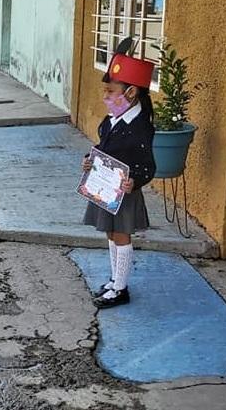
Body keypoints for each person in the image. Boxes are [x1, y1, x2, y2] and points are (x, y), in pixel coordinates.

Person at [82, 37, 156, 309]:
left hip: (125, 192)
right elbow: (103, 147)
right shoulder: (111, 120)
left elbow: (148, 165)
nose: (105, 98)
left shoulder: (140, 128)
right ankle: (114, 280)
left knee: (122, 236)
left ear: (131, 93)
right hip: (106, 188)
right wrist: (89, 160)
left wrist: (134, 180)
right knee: (110, 235)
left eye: (110, 93)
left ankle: (121, 289)